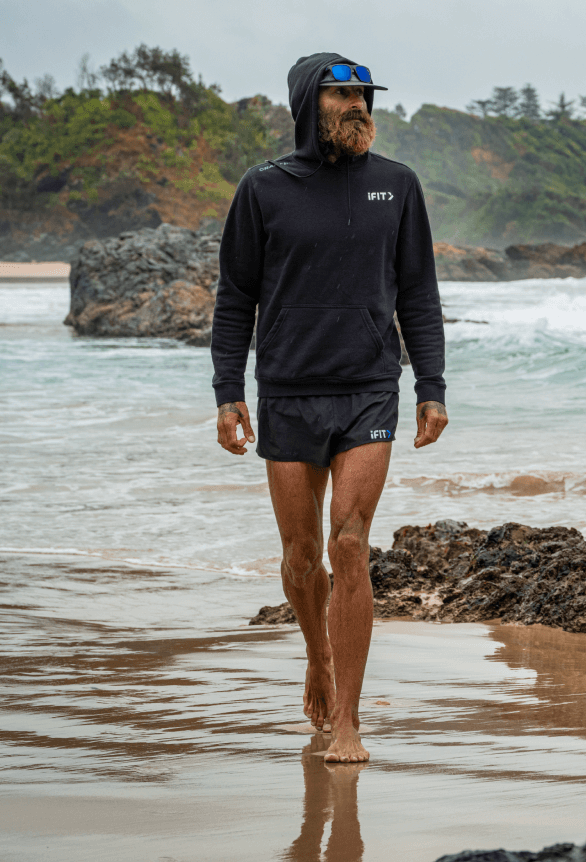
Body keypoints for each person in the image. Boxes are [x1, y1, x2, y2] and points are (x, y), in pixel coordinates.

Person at [211, 52, 448, 763]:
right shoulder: (263, 190)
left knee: (350, 542)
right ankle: (317, 652)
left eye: (364, 95)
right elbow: (234, 298)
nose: (358, 105)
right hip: (287, 390)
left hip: (369, 385)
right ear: (308, 104)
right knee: (299, 556)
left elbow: (419, 293)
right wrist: (229, 392)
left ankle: (348, 718)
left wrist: (430, 385)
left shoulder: (397, 186)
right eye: (342, 94)